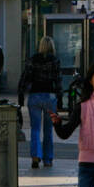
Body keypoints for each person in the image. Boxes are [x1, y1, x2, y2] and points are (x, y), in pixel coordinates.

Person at [19, 36, 63, 168]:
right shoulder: (55, 60)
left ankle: (35, 156)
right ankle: (48, 159)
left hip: (35, 95)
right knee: (49, 130)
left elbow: (25, 77)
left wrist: (21, 94)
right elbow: (58, 80)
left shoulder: (32, 59)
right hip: (50, 96)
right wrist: (59, 97)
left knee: (35, 129)